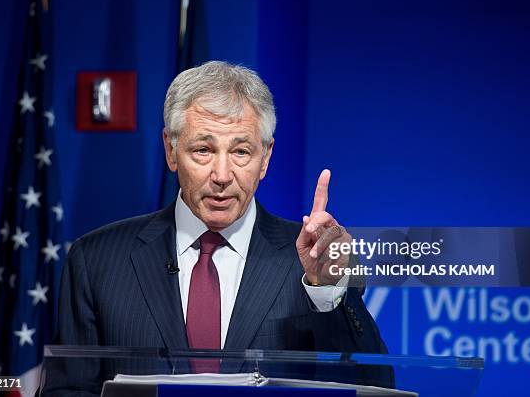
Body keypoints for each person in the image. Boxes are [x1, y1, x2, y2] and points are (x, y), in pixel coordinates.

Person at [44, 61, 393, 395]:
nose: (222, 175)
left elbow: (374, 386)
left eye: (241, 151)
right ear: (171, 150)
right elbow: (68, 392)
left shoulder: (314, 260)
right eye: (203, 150)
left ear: (265, 159)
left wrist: (326, 290)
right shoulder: (97, 260)